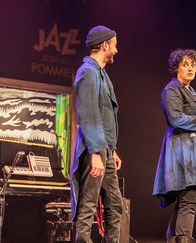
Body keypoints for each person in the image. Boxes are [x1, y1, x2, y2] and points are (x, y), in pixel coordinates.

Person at [152, 49, 196, 243]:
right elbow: (175, 118)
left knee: (185, 200)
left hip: (191, 149)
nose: (190, 68)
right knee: (189, 200)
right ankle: (183, 239)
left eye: (193, 65)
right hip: (181, 151)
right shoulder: (172, 90)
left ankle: (173, 239)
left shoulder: (189, 90)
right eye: (185, 64)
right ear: (176, 68)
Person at [70, 25, 123, 243]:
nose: (117, 50)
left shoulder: (101, 74)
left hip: (105, 149)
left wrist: (112, 150)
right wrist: (95, 153)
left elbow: (105, 114)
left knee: (115, 204)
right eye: (115, 44)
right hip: (95, 149)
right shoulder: (88, 73)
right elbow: (89, 114)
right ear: (105, 45)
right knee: (88, 204)